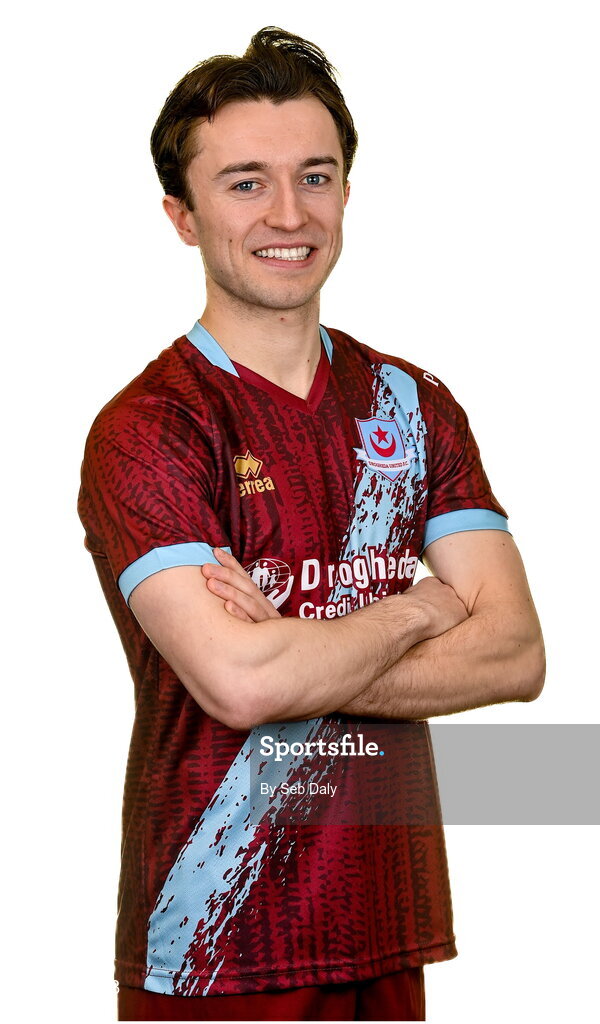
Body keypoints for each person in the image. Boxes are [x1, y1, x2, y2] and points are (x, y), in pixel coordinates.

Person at [78, 25, 545, 1022]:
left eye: (316, 176)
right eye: (244, 181)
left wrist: (299, 653)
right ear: (181, 215)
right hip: (214, 944)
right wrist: (418, 608)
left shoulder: (414, 406)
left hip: (387, 920)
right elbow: (240, 681)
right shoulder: (150, 427)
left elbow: (514, 652)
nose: (288, 213)